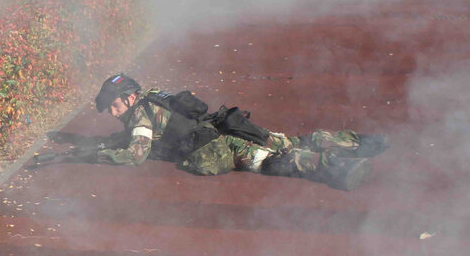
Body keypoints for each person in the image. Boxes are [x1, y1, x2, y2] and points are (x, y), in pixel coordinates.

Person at [37, 74, 388, 190]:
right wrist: (72, 142)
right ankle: (360, 142)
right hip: (222, 127)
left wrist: (82, 154)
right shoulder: (154, 97)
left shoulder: (140, 116)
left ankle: (336, 167)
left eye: (113, 106)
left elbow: (134, 154)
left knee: (275, 161)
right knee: (290, 141)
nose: (111, 113)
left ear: (128, 98)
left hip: (218, 147)